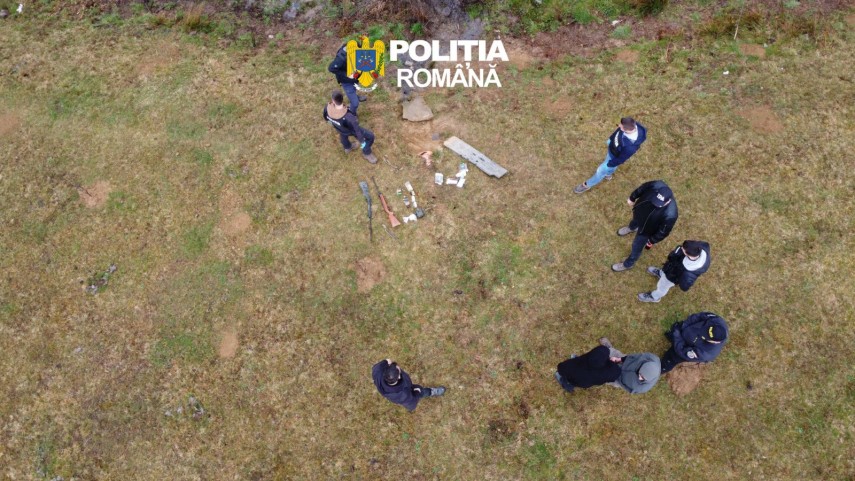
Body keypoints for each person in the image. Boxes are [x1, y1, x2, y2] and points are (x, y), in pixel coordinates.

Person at [612, 180, 678, 272]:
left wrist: (652, 240)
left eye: (659, 204)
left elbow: (663, 232)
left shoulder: (671, 214)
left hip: (647, 231)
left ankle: (628, 264)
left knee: (636, 246)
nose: (655, 204)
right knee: (634, 222)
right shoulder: (656, 185)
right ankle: (631, 228)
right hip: (639, 214)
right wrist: (632, 197)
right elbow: (642, 188)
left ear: (668, 202)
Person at [574, 117, 647, 194]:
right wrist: (611, 139)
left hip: (613, 156)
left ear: (627, 130)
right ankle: (608, 174)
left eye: (621, 126)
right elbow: (618, 131)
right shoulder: (632, 125)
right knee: (611, 167)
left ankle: (586, 185)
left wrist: (609, 164)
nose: (619, 126)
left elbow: (620, 159)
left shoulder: (630, 148)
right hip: (612, 147)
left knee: (600, 171)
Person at [638, 240, 711, 302]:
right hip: (670, 267)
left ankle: (654, 297)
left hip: (671, 278)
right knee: (665, 271)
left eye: (683, 249)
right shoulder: (701, 247)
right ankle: (661, 273)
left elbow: (684, 286)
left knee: (662, 287)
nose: (681, 248)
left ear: (688, 254)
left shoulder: (690, 272)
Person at [661, 312, 729, 373]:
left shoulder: (706, 353)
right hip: (686, 330)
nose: (702, 332)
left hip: (685, 347)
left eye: (705, 336)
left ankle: (661, 368)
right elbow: (699, 316)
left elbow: (682, 351)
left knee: (672, 358)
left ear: (714, 341)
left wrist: (677, 336)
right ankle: (673, 336)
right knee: (674, 334)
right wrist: (684, 325)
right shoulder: (717, 320)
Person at [323, 90, 377, 164]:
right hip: (350, 130)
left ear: (333, 101)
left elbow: (326, 118)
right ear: (342, 99)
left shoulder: (327, 108)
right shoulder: (349, 117)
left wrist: (334, 124)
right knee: (371, 136)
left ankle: (347, 147)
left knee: (343, 134)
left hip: (339, 128)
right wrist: (362, 141)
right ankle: (366, 152)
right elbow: (357, 131)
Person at [372, 359, 446, 411]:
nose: (398, 366)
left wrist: (386, 361)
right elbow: (412, 400)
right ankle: (432, 392)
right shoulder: (403, 395)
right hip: (408, 395)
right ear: (399, 377)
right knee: (421, 392)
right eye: (398, 369)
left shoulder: (378, 372)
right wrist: (417, 392)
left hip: (403, 392)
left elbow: (384, 362)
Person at [554, 345, 621, 393]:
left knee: (568, 373)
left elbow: (561, 368)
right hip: (584, 383)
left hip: (576, 370)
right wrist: (611, 362)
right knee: (579, 379)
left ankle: (566, 383)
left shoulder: (598, 353)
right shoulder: (612, 373)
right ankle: (570, 384)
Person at [328, 43, 366, 114]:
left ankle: (356, 97)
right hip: (347, 82)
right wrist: (346, 75)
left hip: (355, 79)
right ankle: (352, 114)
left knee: (354, 89)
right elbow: (331, 68)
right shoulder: (341, 59)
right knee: (355, 103)